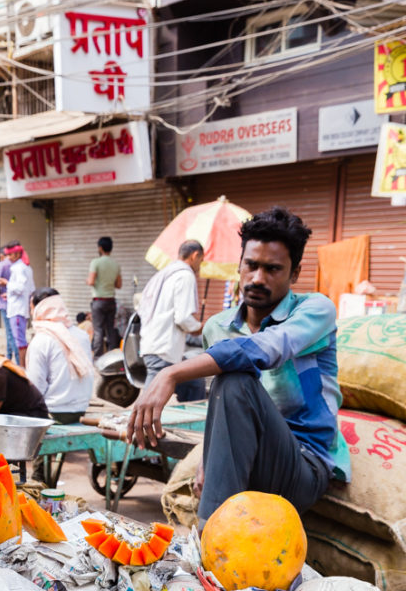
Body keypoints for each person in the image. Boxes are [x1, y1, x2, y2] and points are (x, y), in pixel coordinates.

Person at [127, 206, 350, 529]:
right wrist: (207, 463)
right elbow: (221, 409)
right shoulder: (217, 327)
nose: (258, 278)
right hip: (247, 458)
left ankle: (210, 538)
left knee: (234, 379)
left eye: (273, 269)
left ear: (295, 273)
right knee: (227, 383)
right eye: (251, 265)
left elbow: (269, 348)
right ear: (240, 265)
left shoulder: (315, 310)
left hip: (303, 465)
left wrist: (170, 373)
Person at [139, 239, 206, 403]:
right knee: (150, 400)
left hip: (156, 344)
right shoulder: (185, 275)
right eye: (201, 261)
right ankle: (138, 425)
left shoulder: (166, 273)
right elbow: (183, 318)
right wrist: (199, 327)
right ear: (195, 255)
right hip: (163, 348)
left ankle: (190, 419)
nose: (199, 266)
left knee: (195, 382)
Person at [26, 288, 94, 424]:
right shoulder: (82, 336)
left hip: (53, 413)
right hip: (81, 410)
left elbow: (36, 388)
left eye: (31, 307)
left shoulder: (41, 340)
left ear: (38, 309)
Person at [0, 241, 34, 367]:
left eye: (9, 255)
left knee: (20, 342)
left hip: (17, 310)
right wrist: (9, 293)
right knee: (20, 340)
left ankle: (23, 368)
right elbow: (27, 289)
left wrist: (6, 284)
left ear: (17, 254)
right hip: (18, 307)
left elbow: (21, 288)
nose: (7, 258)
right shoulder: (23, 267)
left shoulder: (20, 268)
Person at [87, 235, 122, 357]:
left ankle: (97, 358)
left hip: (99, 301)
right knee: (111, 329)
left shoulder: (95, 262)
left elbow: (91, 281)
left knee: (98, 331)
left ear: (100, 248)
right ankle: (113, 357)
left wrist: (88, 281)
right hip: (111, 301)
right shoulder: (115, 264)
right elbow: (119, 285)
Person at [0, 248, 19, 362]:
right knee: (13, 332)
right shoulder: (19, 266)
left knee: (10, 332)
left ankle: (12, 357)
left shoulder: (2, 265)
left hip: (5, 303)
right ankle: (11, 357)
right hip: (17, 304)